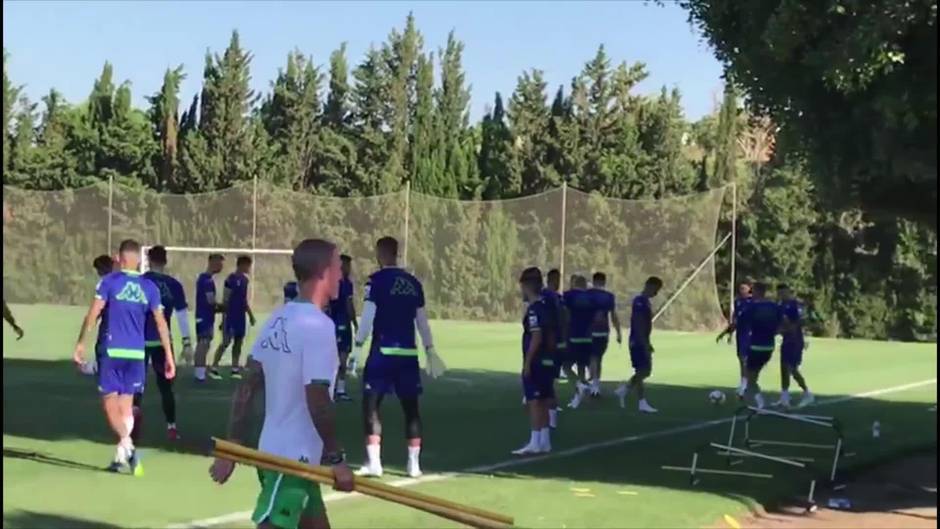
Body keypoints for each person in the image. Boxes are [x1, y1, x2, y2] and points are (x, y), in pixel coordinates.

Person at [209, 238, 354, 529]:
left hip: (278, 453)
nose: (342, 274)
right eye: (338, 267)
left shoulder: (279, 318)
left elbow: (247, 385)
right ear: (324, 272)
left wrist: (234, 445)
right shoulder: (319, 327)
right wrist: (337, 458)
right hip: (292, 462)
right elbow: (317, 395)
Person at [72, 239, 175, 474]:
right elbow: (161, 323)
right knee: (127, 406)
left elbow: (93, 314)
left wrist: (80, 343)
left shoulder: (109, 282)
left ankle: (127, 447)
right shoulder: (149, 288)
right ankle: (121, 456)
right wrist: (169, 354)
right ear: (139, 260)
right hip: (136, 353)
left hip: (112, 350)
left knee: (110, 403)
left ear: (119, 258)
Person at [349, 236, 444, 479]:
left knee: (371, 405)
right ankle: (414, 465)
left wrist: (357, 346)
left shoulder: (376, 281)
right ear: (397, 253)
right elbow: (421, 320)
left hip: (383, 352)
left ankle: (375, 463)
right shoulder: (413, 283)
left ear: (380, 255)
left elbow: (369, 316)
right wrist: (430, 349)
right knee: (411, 409)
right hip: (408, 354)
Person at [141, 246, 192, 441]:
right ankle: (171, 427)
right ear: (165, 260)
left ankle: (131, 426)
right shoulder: (174, 285)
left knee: (137, 384)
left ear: (149, 260)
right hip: (164, 342)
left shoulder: (141, 282)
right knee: (165, 387)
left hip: (140, 340)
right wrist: (186, 342)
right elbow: (181, 316)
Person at [512, 267, 556, 455]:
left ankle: (535, 441)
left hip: (537, 361)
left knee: (534, 401)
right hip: (547, 360)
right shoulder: (548, 306)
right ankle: (545, 441)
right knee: (545, 401)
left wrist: (527, 362)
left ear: (527, 286)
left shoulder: (534, 310)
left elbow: (536, 337)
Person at [614, 276, 663, 414]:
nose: (656, 293)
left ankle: (635, 397)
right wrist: (644, 343)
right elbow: (638, 323)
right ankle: (629, 392)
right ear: (650, 286)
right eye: (656, 289)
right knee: (644, 370)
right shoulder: (640, 301)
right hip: (638, 341)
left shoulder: (645, 302)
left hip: (640, 340)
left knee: (642, 370)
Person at [736, 282, 783, 410]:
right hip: (769, 347)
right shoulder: (774, 306)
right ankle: (754, 398)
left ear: (756, 292)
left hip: (756, 346)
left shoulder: (752, 307)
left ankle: (761, 404)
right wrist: (772, 333)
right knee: (754, 375)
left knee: (751, 378)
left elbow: (740, 322)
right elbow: (781, 324)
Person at [210, 255, 257, 380]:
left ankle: (234, 368)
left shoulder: (245, 281)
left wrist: (250, 315)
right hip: (231, 316)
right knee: (226, 341)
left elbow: (244, 301)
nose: (249, 268)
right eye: (248, 266)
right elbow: (226, 298)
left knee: (238, 342)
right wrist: (224, 317)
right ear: (242, 265)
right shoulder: (230, 279)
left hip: (240, 317)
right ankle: (214, 366)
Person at [773, 284, 814, 408]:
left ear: (788, 292)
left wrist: (783, 330)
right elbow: (779, 323)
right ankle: (784, 396)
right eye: (779, 293)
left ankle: (807, 393)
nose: (781, 295)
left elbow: (798, 323)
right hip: (786, 341)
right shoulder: (780, 306)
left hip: (795, 340)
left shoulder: (795, 305)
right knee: (784, 369)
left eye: (783, 292)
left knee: (792, 368)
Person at [587, 272, 622, 397]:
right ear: (604, 282)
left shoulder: (588, 294)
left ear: (594, 281)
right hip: (603, 331)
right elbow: (613, 316)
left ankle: (593, 384)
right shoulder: (609, 296)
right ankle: (595, 384)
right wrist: (618, 332)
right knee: (598, 358)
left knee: (592, 358)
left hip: (589, 331)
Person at [328, 255, 357, 402]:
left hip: (337, 323)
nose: (349, 268)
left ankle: (337, 390)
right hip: (340, 324)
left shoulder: (338, 282)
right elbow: (348, 304)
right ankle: (336, 390)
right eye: (347, 265)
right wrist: (355, 322)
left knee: (340, 357)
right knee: (339, 358)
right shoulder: (341, 284)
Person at [716, 281, 753, 398]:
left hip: (750, 334)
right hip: (741, 335)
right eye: (741, 288)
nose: (742, 290)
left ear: (749, 289)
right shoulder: (738, 302)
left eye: (744, 288)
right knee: (741, 359)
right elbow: (735, 321)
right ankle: (743, 382)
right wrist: (727, 334)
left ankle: (747, 384)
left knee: (746, 360)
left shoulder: (753, 302)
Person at [562, 275, 594, 409]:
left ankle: (579, 386)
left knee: (566, 366)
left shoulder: (568, 295)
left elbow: (565, 314)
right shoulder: (591, 298)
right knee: (582, 366)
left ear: (574, 283)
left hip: (573, 335)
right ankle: (580, 399)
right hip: (588, 337)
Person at [194, 254, 225, 383]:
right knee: (204, 342)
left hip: (206, 316)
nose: (221, 267)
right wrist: (225, 307)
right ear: (212, 262)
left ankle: (200, 372)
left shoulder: (206, 279)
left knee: (205, 343)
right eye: (220, 263)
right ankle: (199, 374)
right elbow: (211, 301)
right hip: (204, 316)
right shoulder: (206, 280)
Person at [541, 268, 566, 429]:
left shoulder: (557, 298)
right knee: (547, 379)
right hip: (548, 344)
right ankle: (550, 416)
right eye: (556, 280)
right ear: (551, 280)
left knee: (549, 380)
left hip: (553, 345)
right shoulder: (548, 297)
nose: (558, 283)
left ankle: (551, 416)